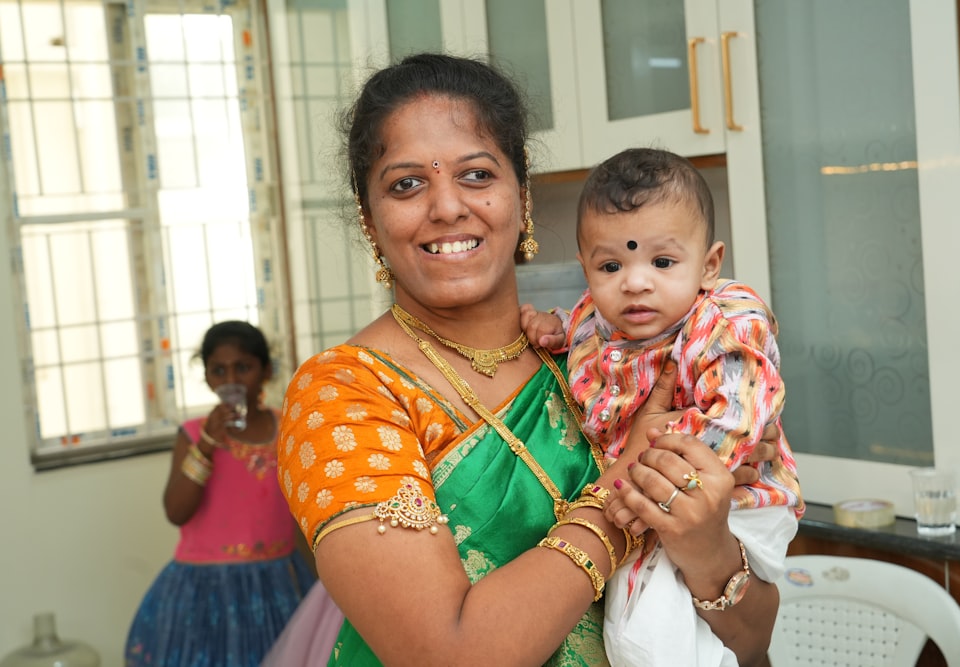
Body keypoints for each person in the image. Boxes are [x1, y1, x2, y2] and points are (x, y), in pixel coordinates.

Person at [277, 52, 787, 667]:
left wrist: (706, 549)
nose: (446, 208)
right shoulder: (345, 394)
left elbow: (753, 640)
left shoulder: (604, 362)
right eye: (406, 183)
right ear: (369, 217)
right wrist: (622, 486)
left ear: (521, 197)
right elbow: (449, 657)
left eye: (476, 175)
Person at [519, 147, 803, 664]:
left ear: (709, 264)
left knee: (653, 638)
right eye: (611, 265)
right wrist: (555, 326)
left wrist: (640, 484)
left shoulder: (725, 321)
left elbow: (738, 421)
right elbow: (586, 331)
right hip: (658, 500)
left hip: (738, 498)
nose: (635, 281)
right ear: (586, 269)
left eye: (663, 261)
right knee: (632, 632)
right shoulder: (603, 317)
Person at [125, 321, 316, 667]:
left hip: (278, 585)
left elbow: (302, 511)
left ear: (266, 371)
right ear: (208, 377)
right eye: (219, 370)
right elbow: (176, 512)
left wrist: (323, 581)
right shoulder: (194, 434)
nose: (231, 380)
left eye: (242, 367)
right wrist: (208, 445)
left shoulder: (288, 427)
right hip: (205, 589)